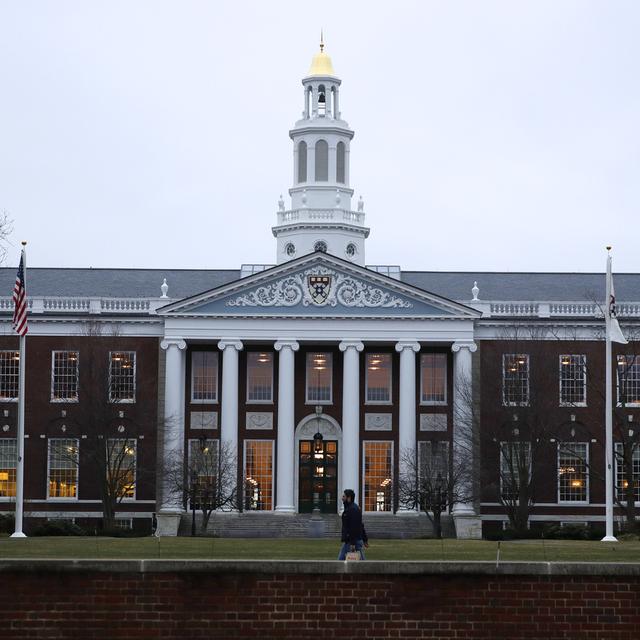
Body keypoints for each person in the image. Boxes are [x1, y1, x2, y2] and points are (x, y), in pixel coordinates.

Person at [338, 489, 367, 560]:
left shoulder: (353, 509)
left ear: (349, 497)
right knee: (361, 562)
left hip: (353, 541)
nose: (342, 498)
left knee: (340, 561)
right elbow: (360, 525)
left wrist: (352, 543)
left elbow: (354, 527)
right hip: (351, 540)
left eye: (344, 496)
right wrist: (365, 539)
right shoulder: (350, 508)